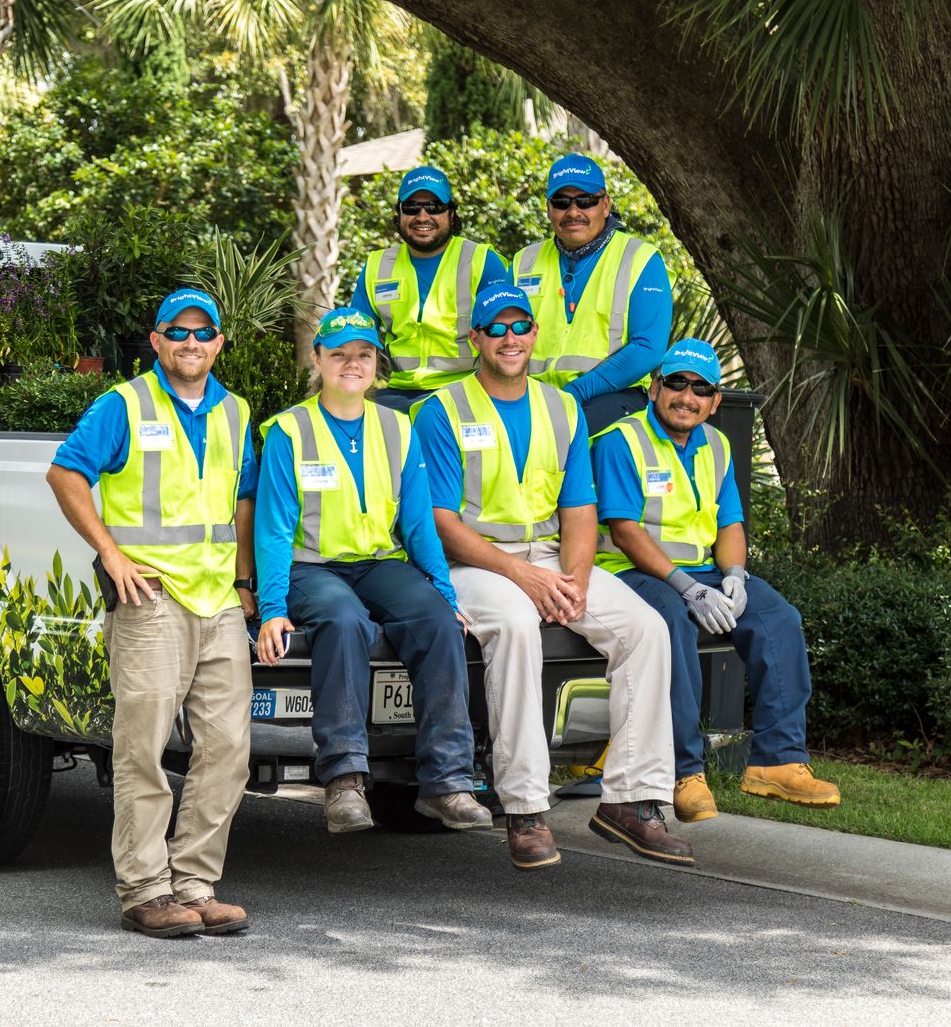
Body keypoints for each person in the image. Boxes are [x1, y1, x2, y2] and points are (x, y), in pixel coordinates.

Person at [415, 284, 692, 869]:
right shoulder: (440, 410)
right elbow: (439, 521)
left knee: (645, 629)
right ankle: (525, 809)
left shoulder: (561, 407)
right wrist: (524, 577)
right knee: (516, 626)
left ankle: (631, 801)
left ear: (535, 335)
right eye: (496, 329)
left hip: (546, 557)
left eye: (520, 327)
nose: (510, 338)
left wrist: (577, 580)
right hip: (474, 562)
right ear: (477, 340)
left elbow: (580, 510)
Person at [47, 288, 259, 940]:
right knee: (142, 748)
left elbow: (244, 502)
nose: (191, 342)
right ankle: (144, 890)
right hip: (151, 599)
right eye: (178, 331)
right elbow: (65, 474)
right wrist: (109, 553)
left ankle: (193, 886)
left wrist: (247, 583)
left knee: (227, 748)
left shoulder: (238, 412)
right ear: (157, 339)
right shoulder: (125, 405)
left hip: (220, 599)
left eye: (204, 332)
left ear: (220, 342)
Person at [254, 307, 491, 834]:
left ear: (376, 364)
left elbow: (418, 523)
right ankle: (343, 782)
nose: (351, 364)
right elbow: (271, 530)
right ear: (318, 360)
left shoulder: (397, 427)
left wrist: (444, 591)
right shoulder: (289, 431)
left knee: (436, 620)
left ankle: (447, 784)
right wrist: (271, 608)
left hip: (379, 563)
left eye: (363, 354)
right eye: (338, 354)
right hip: (310, 568)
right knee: (343, 622)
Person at [592, 337, 841, 825]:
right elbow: (623, 530)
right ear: (654, 388)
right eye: (677, 383)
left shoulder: (717, 444)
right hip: (633, 571)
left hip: (705, 571)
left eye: (700, 388)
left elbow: (729, 525)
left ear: (714, 401)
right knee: (671, 627)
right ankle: (683, 772)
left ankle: (777, 761)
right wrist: (687, 587)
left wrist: (733, 575)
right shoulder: (622, 440)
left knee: (778, 619)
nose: (687, 396)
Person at [511, 154, 674, 434]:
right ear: (549, 209)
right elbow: (499, 335)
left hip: (612, 398)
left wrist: (580, 390)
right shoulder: (523, 261)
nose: (573, 212)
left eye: (585, 201)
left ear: (606, 205)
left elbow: (648, 348)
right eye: (562, 203)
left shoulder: (640, 259)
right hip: (532, 399)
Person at [348, 165, 514, 410]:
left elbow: (506, 338)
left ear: (451, 214)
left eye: (434, 207)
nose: (422, 217)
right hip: (398, 394)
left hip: (466, 391)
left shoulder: (481, 261)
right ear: (399, 214)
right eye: (412, 207)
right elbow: (355, 339)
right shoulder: (377, 265)